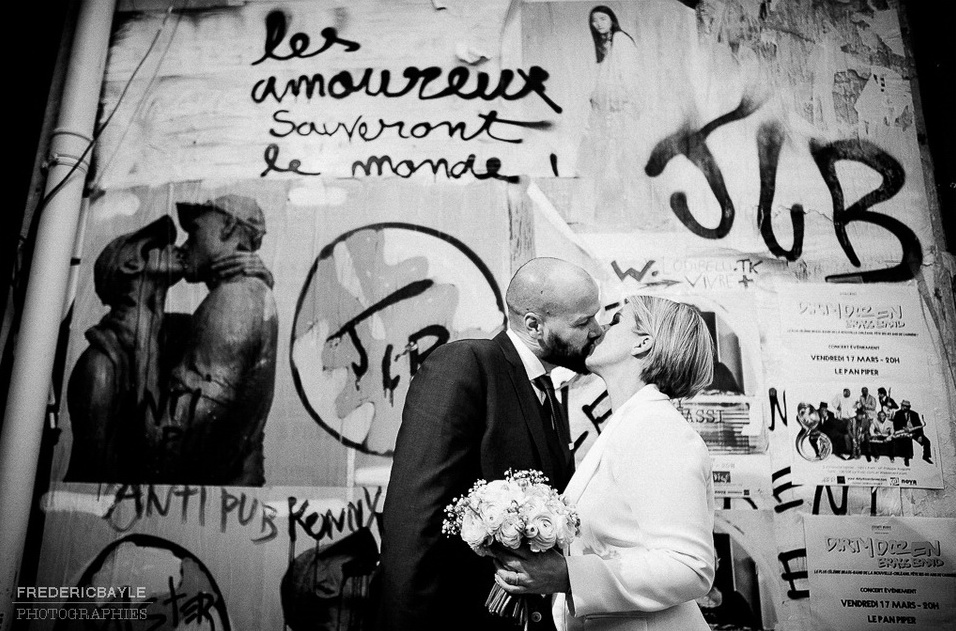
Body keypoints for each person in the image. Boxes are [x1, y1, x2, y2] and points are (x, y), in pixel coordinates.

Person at [375, 257, 605, 631]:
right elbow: (414, 519)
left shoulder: (547, 390)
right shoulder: (466, 364)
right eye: (583, 322)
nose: (597, 330)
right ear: (534, 325)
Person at [492, 295, 716, 631]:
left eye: (615, 321)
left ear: (643, 343)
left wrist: (568, 575)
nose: (597, 330)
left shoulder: (658, 428)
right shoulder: (628, 424)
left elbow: (690, 566)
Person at [145, 194, 278, 485]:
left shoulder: (234, 298)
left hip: (190, 506)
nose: (184, 244)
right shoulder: (242, 294)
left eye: (194, 230)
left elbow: (191, 420)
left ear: (228, 226)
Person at [575, 6, 661, 230]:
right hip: (604, 114)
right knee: (595, 161)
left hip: (622, 112)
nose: (598, 24)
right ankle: (588, 217)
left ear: (612, 20)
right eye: (594, 21)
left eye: (603, 18)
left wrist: (630, 106)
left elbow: (631, 77)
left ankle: (642, 218)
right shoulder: (605, 48)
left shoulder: (621, 40)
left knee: (630, 163)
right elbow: (599, 86)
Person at [892, 400, 933, 466]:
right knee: (907, 441)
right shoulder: (898, 413)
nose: (902, 407)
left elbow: (919, 426)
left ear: (908, 407)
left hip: (914, 432)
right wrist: (903, 428)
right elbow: (895, 425)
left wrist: (920, 435)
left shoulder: (914, 414)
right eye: (902, 405)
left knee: (927, 442)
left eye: (904, 406)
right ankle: (906, 458)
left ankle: (926, 456)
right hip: (904, 432)